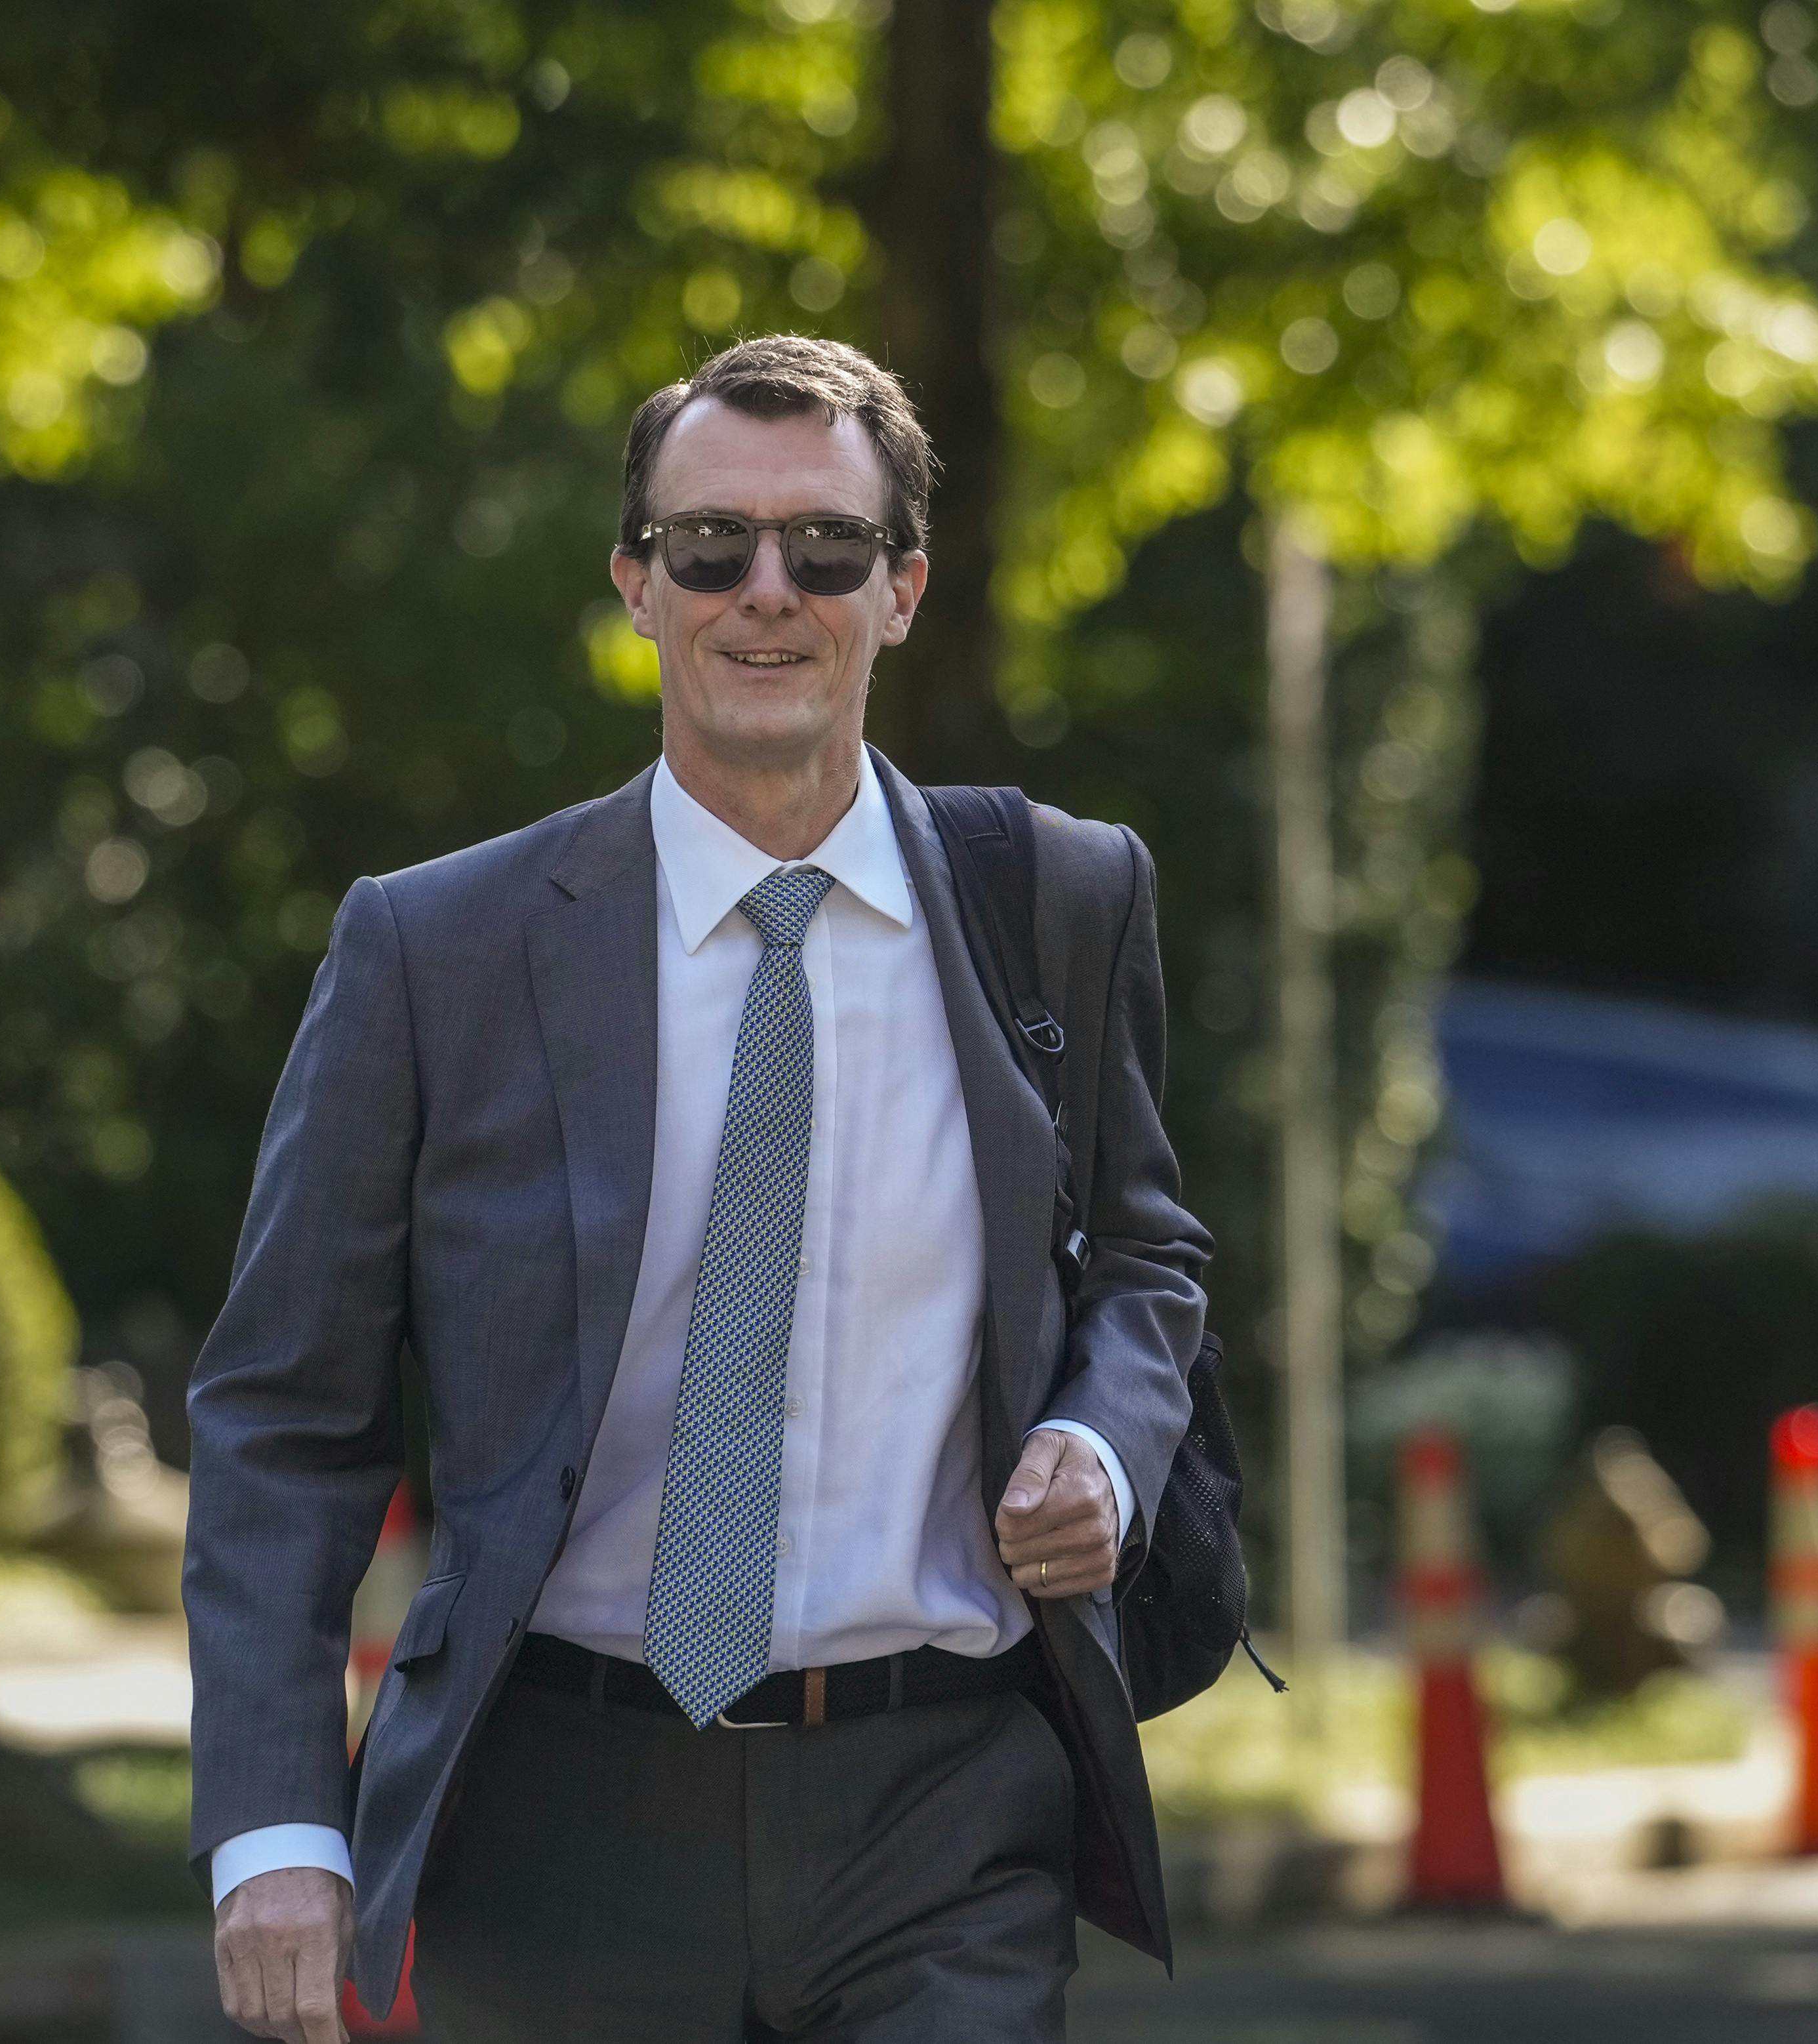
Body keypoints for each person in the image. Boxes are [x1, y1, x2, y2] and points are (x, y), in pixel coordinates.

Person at [186, 333, 1211, 2043]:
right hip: (562, 1813)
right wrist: (277, 1824)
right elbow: (286, 1414)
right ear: (633, 586)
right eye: (706, 546)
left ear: (901, 591)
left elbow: (1145, 1255)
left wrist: (1101, 1441)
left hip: (943, 1803)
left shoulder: (1054, 897)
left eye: (823, 550)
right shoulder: (438, 949)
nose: (764, 591)